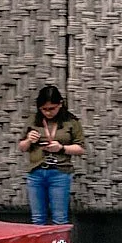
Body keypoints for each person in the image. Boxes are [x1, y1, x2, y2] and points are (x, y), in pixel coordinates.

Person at [17, 84, 86, 224]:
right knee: (37, 219)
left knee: (60, 219)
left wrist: (61, 148)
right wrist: (29, 140)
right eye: (43, 109)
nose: (48, 113)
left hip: (59, 172)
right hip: (36, 172)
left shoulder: (71, 121)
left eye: (52, 109)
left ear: (60, 104)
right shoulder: (33, 120)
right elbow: (22, 147)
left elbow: (80, 148)